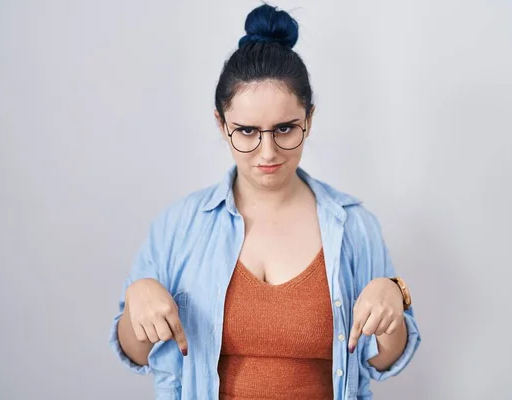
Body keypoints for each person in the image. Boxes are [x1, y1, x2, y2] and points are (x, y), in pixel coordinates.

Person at [109, 4, 421, 399]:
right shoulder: (179, 225)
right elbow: (136, 353)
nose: (267, 151)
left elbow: (381, 361)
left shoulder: (354, 225)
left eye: (285, 128)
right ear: (221, 125)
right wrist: (139, 295)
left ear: (309, 119)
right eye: (246, 130)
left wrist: (394, 300)